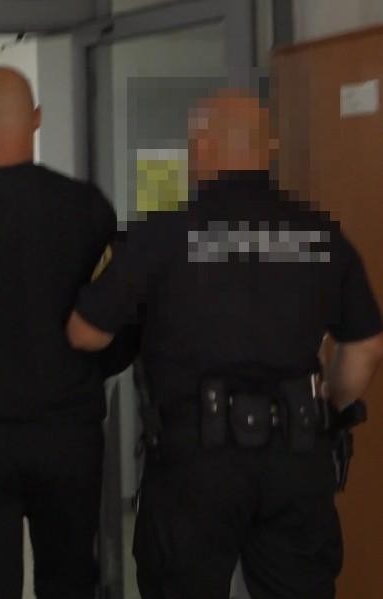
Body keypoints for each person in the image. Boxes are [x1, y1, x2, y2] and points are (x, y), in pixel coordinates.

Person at [67, 89, 383, 599]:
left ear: (201, 148)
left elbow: (85, 332)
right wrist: (328, 404)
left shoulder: (161, 236)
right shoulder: (320, 237)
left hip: (195, 464)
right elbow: (366, 346)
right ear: (269, 148)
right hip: (296, 454)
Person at [0, 66, 124, 599]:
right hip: (68, 433)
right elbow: (119, 321)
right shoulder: (87, 208)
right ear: (36, 119)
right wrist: (84, 373)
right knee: (69, 579)